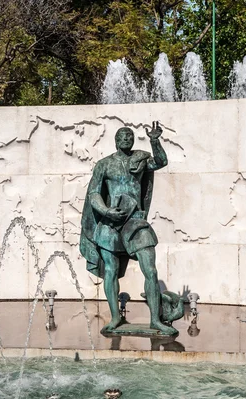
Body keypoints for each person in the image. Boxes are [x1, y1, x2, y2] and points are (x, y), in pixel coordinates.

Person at [80, 121, 179, 335]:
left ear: (133, 140)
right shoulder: (104, 164)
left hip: (135, 221)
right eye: (122, 137)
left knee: (150, 270)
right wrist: (106, 211)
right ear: (115, 141)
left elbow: (161, 161)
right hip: (110, 222)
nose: (126, 139)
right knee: (111, 270)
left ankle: (155, 320)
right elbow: (94, 193)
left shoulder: (140, 160)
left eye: (129, 136)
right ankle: (116, 317)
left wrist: (155, 141)